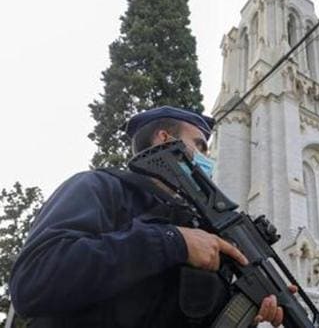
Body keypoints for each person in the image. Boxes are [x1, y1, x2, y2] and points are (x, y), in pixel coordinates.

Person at [10, 106, 290, 327]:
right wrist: (173, 242)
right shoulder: (101, 187)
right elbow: (33, 281)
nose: (209, 158)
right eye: (201, 145)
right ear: (165, 140)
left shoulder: (199, 231)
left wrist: (249, 312)